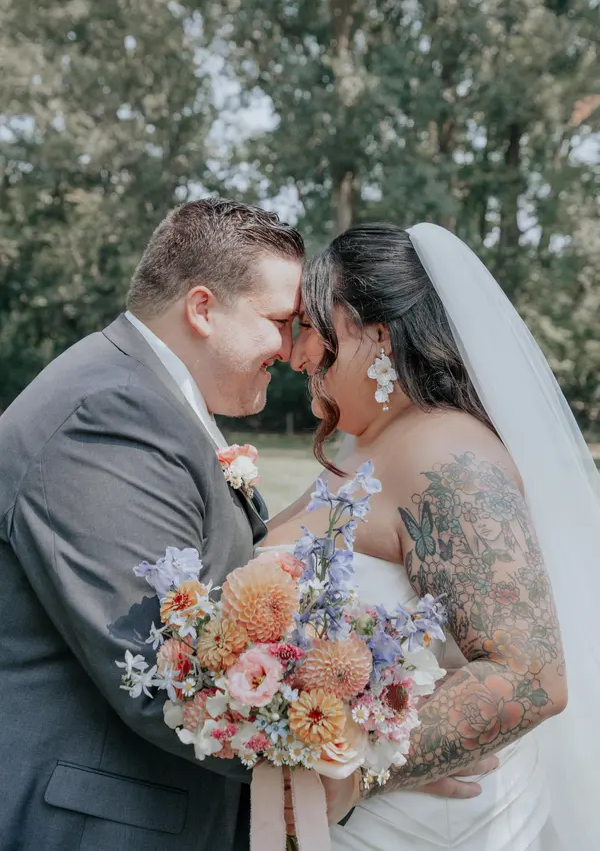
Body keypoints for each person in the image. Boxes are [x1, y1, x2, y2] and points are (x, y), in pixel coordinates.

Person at [267, 222, 600, 850]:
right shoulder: (369, 448)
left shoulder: (444, 454)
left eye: (310, 326)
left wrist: (356, 770)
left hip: (419, 830)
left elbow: (529, 674)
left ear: (377, 335)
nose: (295, 353)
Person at [0, 198, 305, 851]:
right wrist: (353, 761)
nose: (290, 349)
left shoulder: (150, 397)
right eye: (280, 322)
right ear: (202, 308)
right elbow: (159, 667)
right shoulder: (112, 411)